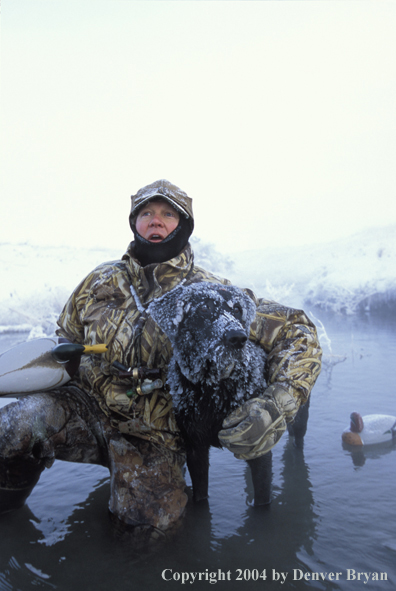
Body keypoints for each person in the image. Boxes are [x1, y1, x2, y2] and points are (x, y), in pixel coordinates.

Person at [0, 180, 322, 531]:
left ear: (183, 225)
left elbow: (297, 330)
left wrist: (278, 401)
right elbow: (65, 339)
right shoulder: (98, 282)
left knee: (145, 531)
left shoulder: (211, 291)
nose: (156, 220)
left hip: (155, 435)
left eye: (168, 214)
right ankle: (6, 522)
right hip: (85, 410)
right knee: (13, 426)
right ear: (134, 222)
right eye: (147, 213)